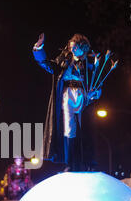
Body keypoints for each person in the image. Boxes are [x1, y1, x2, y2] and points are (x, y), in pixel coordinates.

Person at [33, 33, 102, 171]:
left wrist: (95, 92)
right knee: (69, 130)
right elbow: (47, 65)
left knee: (85, 130)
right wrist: (38, 48)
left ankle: (87, 163)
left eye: (75, 47)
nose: (72, 50)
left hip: (83, 96)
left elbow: (97, 81)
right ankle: (69, 163)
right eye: (71, 47)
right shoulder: (64, 60)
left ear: (83, 47)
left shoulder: (91, 62)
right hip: (67, 95)